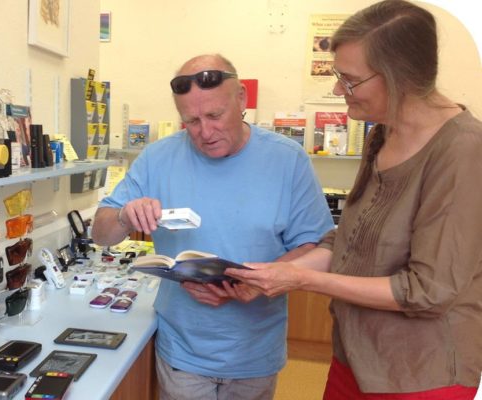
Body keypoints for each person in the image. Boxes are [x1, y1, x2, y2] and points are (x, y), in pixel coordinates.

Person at [225, 1, 482, 399]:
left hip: (421, 373)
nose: (337, 90)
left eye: (349, 80)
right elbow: (349, 241)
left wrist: (303, 278)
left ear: (398, 78)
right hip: (357, 355)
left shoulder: (464, 151)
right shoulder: (382, 133)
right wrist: (274, 275)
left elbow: (427, 291)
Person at [92, 54, 333, 399]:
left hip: (255, 352)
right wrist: (123, 216)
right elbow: (100, 234)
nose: (205, 132)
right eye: (191, 121)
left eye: (215, 116)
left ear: (241, 100)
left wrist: (261, 279)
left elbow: (316, 244)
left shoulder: (287, 159)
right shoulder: (157, 158)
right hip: (182, 351)